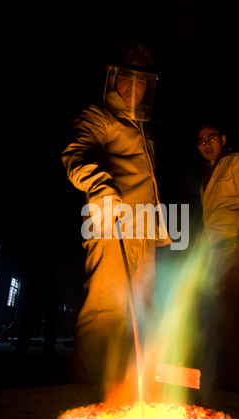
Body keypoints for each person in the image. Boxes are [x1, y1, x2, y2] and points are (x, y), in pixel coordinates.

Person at [61, 39, 170, 395]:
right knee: (105, 313)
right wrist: (101, 187)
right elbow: (75, 154)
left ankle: (128, 398)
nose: (135, 85)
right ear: (114, 79)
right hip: (112, 227)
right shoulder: (99, 115)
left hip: (144, 233)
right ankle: (87, 399)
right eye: (128, 76)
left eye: (143, 79)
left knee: (140, 317)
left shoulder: (142, 131)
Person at [196, 124, 239, 393]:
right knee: (220, 322)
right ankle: (228, 389)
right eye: (200, 141)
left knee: (238, 323)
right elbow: (210, 220)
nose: (206, 144)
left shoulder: (238, 161)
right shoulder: (206, 177)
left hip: (235, 250)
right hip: (215, 257)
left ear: (223, 139)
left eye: (211, 138)